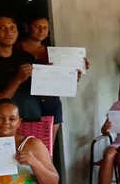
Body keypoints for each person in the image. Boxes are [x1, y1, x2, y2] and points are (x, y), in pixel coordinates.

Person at [14, 14, 89, 144]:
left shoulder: (53, 52)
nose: (41, 30)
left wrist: (74, 75)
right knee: (27, 143)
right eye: (37, 26)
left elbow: (62, 79)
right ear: (27, 27)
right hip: (26, 101)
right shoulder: (15, 49)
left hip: (51, 100)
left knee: (48, 145)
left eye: (45, 27)